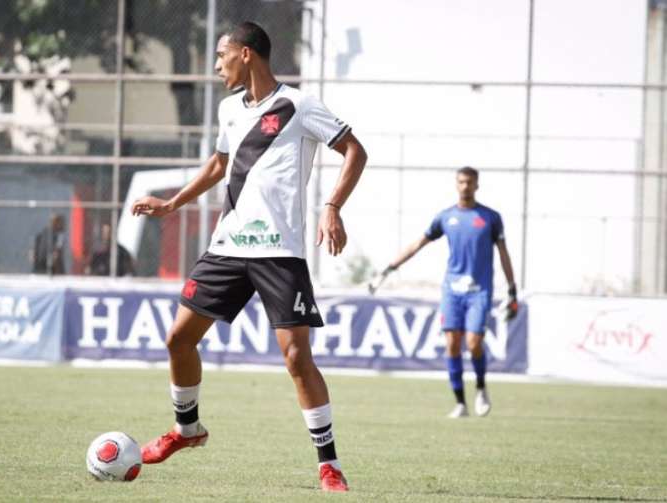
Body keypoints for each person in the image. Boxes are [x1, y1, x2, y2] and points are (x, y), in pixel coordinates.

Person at [131, 21, 367, 492]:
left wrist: (333, 207)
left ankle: (329, 464)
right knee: (179, 339)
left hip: (280, 252)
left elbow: (354, 151)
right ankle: (187, 430)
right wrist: (175, 202)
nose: (216, 66)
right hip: (228, 246)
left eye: (221, 56)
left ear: (245, 54)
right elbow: (220, 165)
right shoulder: (228, 109)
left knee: (297, 358)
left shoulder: (299, 106)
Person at [380, 166, 517, 418]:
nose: (465, 186)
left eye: (470, 182)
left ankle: (481, 387)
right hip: (452, 291)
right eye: (462, 182)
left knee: (474, 343)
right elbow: (417, 244)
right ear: (456, 184)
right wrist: (391, 266)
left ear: (477, 185)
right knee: (452, 344)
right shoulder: (445, 217)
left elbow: (503, 253)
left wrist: (512, 289)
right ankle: (460, 404)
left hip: (479, 290)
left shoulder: (490, 217)